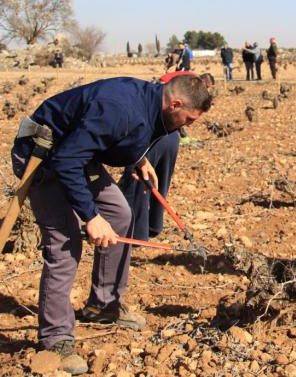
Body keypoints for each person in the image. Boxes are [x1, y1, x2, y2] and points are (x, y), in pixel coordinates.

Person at [10, 76, 212, 374]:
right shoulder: (120, 108)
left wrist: (140, 158)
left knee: (119, 214)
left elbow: (113, 136)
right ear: (176, 104)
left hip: (75, 152)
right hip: (44, 155)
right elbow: (67, 161)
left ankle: (104, 305)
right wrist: (91, 217)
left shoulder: (150, 102)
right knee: (65, 244)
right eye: (189, 119)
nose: (188, 126)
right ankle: (56, 338)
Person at [119, 72, 214, 241]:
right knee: (158, 179)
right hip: (170, 136)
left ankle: (137, 233)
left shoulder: (185, 86)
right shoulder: (183, 84)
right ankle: (154, 225)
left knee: (141, 180)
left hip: (161, 135)